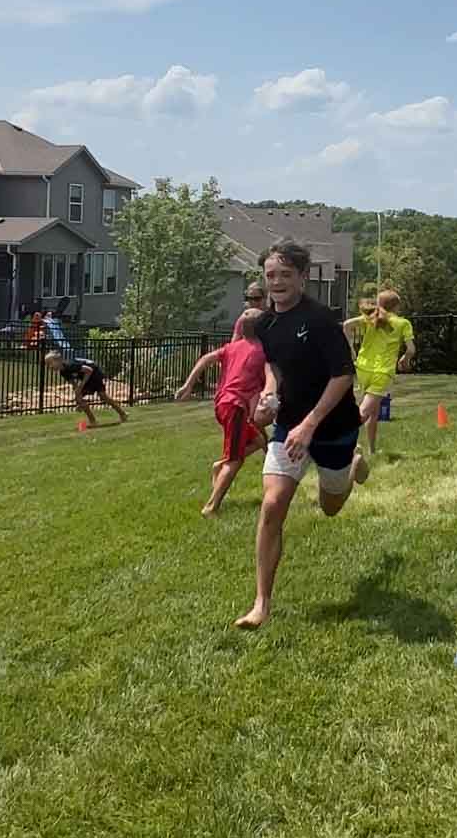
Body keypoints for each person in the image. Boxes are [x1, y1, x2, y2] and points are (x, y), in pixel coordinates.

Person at [236, 238, 369, 630]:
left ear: (302, 277)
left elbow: (343, 375)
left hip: (333, 427)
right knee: (273, 504)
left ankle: (351, 468)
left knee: (330, 508)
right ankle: (261, 603)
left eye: (285, 275)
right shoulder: (265, 324)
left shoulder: (321, 319)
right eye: (270, 274)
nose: (277, 282)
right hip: (288, 428)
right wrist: (269, 394)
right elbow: (274, 367)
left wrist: (311, 424)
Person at [175, 312, 270, 516]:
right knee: (236, 460)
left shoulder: (232, 347)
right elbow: (262, 388)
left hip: (222, 405)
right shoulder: (262, 353)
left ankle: (220, 465)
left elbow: (205, 359)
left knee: (260, 439)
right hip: (235, 407)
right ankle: (211, 506)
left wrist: (188, 385)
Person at [343, 289, 416, 456]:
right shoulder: (403, 323)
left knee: (373, 412)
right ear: (396, 306)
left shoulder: (371, 317)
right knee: (364, 412)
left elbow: (346, 325)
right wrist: (405, 359)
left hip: (362, 368)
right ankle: (338, 443)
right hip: (382, 372)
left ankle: (372, 450)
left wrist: (351, 350)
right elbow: (411, 349)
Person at [44, 350, 128, 427]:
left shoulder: (71, 365)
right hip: (86, 377)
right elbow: (73, 383)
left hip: (94, 373)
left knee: (102, 396)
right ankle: (93, 421)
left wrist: (81, 387)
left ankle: (123, 414)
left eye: (50, 363)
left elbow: (89, 370)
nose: (49, 366)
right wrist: (78, 395)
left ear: (58, 360)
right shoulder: (63, 372)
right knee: (79, 398)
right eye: (47, 364)